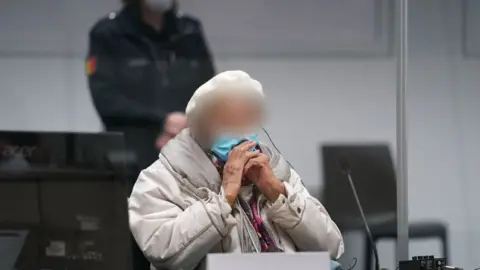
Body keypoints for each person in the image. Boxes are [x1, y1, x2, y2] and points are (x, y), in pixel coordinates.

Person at [129, 70, 345, 270]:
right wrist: (223, 200)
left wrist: (278, 194)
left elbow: (331, 248)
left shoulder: (277, 170)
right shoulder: (161, 178)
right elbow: (164, 254)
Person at [86, 0, 215, 190]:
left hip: (188, 155)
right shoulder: (108, 33)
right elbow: (106, 101)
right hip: (131, 163)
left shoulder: (189, 30)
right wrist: (162, 121)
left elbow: (210, 89)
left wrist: (184, 124)